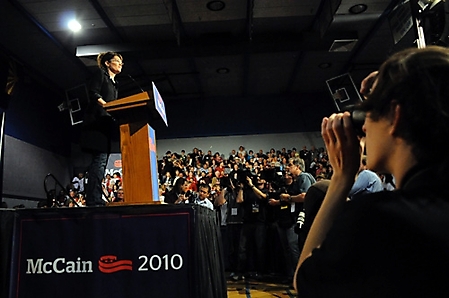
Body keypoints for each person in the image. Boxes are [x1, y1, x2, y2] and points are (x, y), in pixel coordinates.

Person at [294, 46, 449, 296]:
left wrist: (341, 178)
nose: (364, 128)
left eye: (369, 114)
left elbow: (305, 282)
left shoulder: (380, 218)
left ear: (396, 117)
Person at [80, 51, 123, 206]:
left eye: (121, 62)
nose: (120, 64)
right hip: (96, 125)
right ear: (107, 63)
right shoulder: (100, 74)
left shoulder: (115, 84)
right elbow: (93, 93)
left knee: (101, 163)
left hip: (107, 127)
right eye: (117, 61)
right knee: (99, 161)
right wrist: (106, 106)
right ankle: (93, 199)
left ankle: (94, 196)